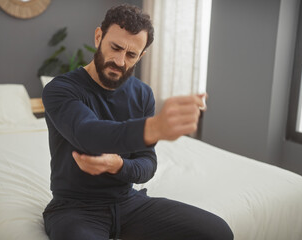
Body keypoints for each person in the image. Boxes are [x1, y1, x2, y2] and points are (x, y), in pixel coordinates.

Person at [42, 4, 233, 240]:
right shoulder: (60, 89)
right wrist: (154, 127)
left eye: (131, 54)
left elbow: (147, 165)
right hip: (75, 209)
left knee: (219, 232)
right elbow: (87, 134)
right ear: (99, 36)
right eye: (116, 47)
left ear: (141, 56)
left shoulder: (142, 94)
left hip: (128, 203)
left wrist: (119, 166)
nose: (120, 61)